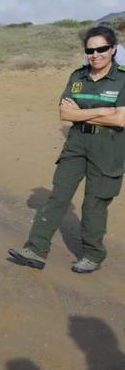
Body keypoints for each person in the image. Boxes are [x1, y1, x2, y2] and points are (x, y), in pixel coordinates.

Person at [9, 25, 125, 274]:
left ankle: (93, 254)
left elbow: (120, 120)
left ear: (113, 49)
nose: (95, 55)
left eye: (101, 49)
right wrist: (103, 111)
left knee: (94, 203)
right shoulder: (77, 77)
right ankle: (35, 249)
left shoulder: (123, 78)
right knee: (58, 196)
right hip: (76, 144)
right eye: (90, 50)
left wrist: (81, 114)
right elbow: (64, 113)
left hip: (109, 147)